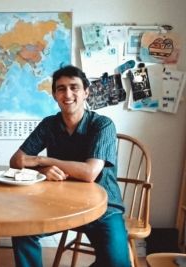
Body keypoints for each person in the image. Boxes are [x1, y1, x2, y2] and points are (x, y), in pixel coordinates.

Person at [9, 65, 130, 267]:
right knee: (22, 232)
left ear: (86, 92)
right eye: (61, 88)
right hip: (59, 204)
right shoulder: (49, 124)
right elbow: (17, 160)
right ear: (55, 95)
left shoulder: (103, 125)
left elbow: (89, 173)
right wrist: (42, 170)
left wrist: (43, 160)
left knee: (118, 263)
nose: (68, 94)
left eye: (74, 87)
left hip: (104, 206)